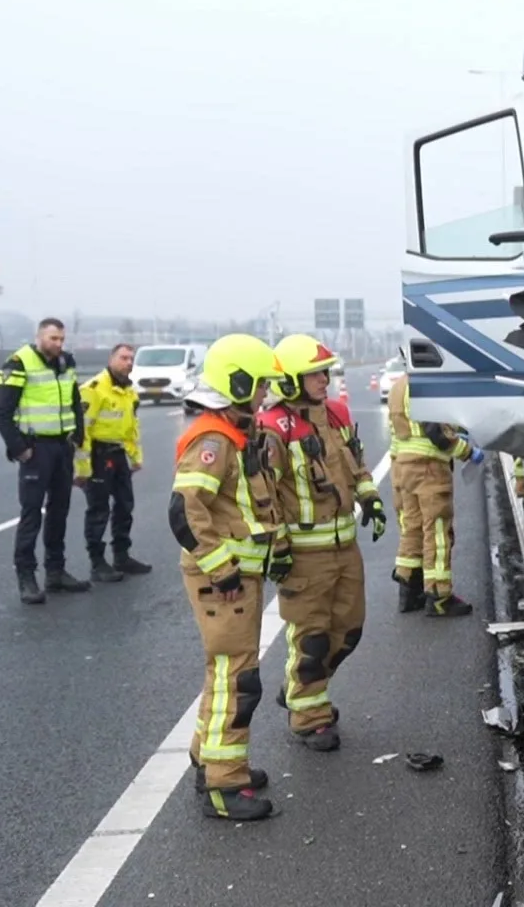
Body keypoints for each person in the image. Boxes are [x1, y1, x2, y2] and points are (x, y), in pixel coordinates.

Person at [171, 333, 288, 821]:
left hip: (236, 576)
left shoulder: (234, 434)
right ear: (238, 382)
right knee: (238, 681)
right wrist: (222, 570)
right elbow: (184, 511)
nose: (264, 394)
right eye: (259, 385)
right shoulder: (214, 439)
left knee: (226, 674)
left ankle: (209, 760)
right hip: (224, 581)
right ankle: (224, 784)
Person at [258, 335, 387, 753]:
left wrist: (370, 497)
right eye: (315, 373)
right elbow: (266, 495)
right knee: (311, 638)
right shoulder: (273, 428)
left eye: (325, 371)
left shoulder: (337, 414)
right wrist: (275, 549)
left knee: (348, 631)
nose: (324, 379)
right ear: (291, 380)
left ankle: (298, 687)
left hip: (345, 547)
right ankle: (309, 715)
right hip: (304, 556)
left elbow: (358, 462)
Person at [0, 317, 89, 605]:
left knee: (59, 511)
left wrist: (78, 435)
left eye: (61, 339)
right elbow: (2, 412)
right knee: (32, 513)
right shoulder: (18, 363)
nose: (58, 344)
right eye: (53, 339)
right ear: (39, 337)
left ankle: (56, 572)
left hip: (62, 446)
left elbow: (74, 399)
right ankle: (26, 577)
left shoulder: (66, 362)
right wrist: (20, 449)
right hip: (36, 449)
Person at [386, 345, 484, 616]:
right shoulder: (424, 386)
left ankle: (409, 590)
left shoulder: (398, 387)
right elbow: (437, 435)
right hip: (428, 470)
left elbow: (397, 436)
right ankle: (439, 596)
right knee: (438, 532)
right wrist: (467, 452)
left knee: (412, 529)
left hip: (403, 469)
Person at [76, 343, 151, 582]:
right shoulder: (94, 389)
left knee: (125, 507)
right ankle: (97, 563)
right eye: (123, 358)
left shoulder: (129, 391)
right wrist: (82, 468)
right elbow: (82, 432)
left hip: (118, 454)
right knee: (99, 510)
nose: (128, 363)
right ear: (111, 359)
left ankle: (122, 556)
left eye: (131, 359)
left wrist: (135, 457)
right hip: (98, 454)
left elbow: (131, 428)